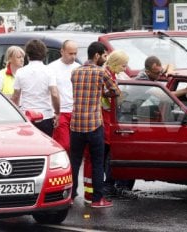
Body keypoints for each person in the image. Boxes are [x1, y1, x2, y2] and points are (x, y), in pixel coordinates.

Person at [70, 41, 120, 208]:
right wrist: (103, 92)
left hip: (76, 125)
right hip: (94, 124)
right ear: (97, 55)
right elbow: (115, 91)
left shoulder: (75, 72)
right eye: (103, 56)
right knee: (97, 162)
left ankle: (70, 196)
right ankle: (97, 199)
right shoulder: (101, 72)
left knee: (75, 162)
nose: (104, 61)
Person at [102, 50, 138, 200]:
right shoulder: (106, 74)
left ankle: (113, 185)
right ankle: (112, 185)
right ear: (116, 64)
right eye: (124, 65)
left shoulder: (117, 74)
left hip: (113, 117)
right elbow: (112, 95)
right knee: (111, 153)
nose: (126, 68)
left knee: (112, 153)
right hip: (106, 118)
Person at [11, 39, 60, 137]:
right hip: (45, 116)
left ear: (28, 55)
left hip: (27, 116)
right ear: (43, 54)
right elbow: (54, 94)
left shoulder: (20, 72)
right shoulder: (49, 71)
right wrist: (57, 112)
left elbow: (16, 96)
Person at [48, 40, 80, 153]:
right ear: (62, 51)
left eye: (75, 53)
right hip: (60, 111)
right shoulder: (52, 68)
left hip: (76, 112)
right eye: (70, 53)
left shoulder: (78, 68)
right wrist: (54, 112)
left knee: (76, 147)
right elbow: (51, 91)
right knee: (64, 145)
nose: (73, 56)